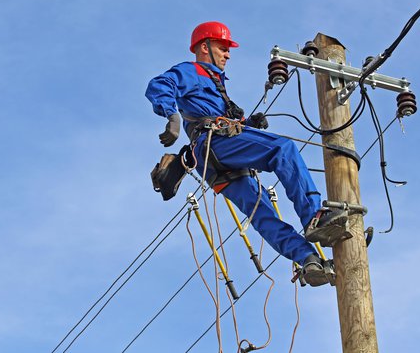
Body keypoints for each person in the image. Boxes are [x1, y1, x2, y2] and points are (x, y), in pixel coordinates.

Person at [145, 21, 346, 286]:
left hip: (215, 166)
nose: (228, 54)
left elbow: (211, 114)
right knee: (282, 149)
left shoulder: (216, 85)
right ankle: (313, 217)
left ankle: (308, 261)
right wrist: (171, 116)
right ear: (204, 47)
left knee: (261, 211)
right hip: (214, 144)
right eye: (223, 47)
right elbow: (159, 85)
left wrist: (249, 124)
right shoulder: (192, 71)